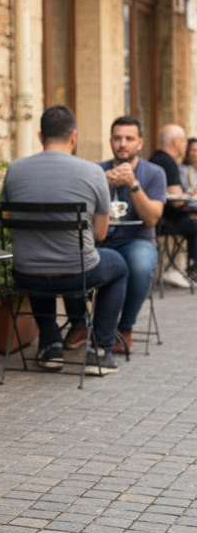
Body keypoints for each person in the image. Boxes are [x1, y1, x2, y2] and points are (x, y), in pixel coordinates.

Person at [0, 104, 127, 373]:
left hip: (25, 273)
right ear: (74, 137)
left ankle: (50, 345)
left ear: (40, 136)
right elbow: (101, 234)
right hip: (77, 272)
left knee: (38, 259)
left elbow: (10, 222)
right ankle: (100, 350)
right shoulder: (93, 173)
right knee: (119, 265)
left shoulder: (15, 170)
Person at [97, 116, 165, 354]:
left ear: (140, 143)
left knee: (139, 263)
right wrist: (101, 184)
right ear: (110, 141)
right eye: (117, 138)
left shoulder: (154, 173)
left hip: (136, 240)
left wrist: (133, 184)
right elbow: (82, 213)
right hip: (100, 240)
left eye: (129, 138)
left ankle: (124, 329)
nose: (122, 144)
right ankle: (80, 324)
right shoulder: (96, 171)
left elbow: (152, 218)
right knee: (71, 255)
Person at [149, 124, 197, 284]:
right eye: (183, 140)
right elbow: (176, 201)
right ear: (176, 142)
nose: (185, 144)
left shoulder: (156, 158)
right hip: (164, 222)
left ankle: (184, 269)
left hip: (157, 218)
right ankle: (193, 269)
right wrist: (187, 197)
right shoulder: (168, 163)